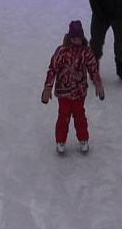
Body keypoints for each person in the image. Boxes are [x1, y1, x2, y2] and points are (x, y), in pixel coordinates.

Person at [41, 20, 104, 155]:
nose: (77, 41)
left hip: (79, 92)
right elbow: (52, 69)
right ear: (70, 38)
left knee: (80, 115)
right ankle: (60, 140)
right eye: (74, 38)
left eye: (79, 38)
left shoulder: (86, 52)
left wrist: (98, 84)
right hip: (63, 93)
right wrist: (48, 87)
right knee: (63, 116)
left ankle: (83, 139)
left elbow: (93, 69)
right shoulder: (61, 51)